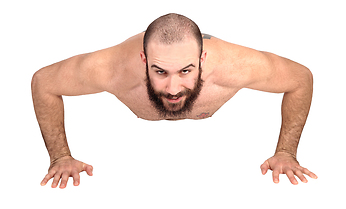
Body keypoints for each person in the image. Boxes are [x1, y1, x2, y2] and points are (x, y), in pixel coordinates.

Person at [32, 13, 318, 189]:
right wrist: (60, 156)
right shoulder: (111, 68)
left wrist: (286, 152)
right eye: (159, 72)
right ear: (143, 60)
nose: (172, 88)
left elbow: (300, 79)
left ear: (201, 59)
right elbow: (44, 83)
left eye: (185, 71)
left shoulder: (237, 65)